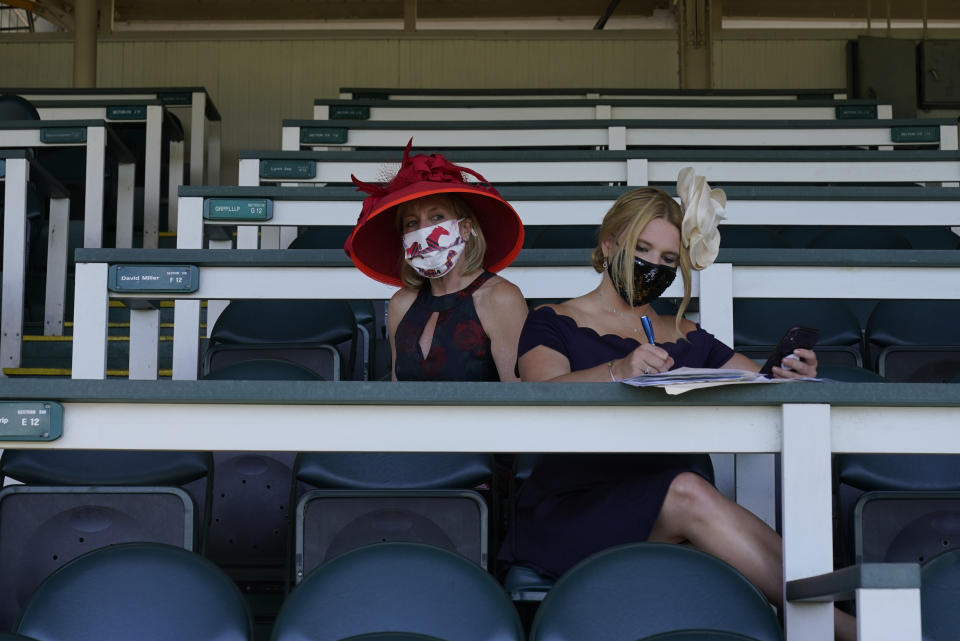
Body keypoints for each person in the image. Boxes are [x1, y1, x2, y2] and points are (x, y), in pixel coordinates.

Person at [498, 170, 855, 641]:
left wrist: (792, 377)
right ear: (609, 246)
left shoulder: (687, 334)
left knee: (688, 489)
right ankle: (848, 628)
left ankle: (834, 619)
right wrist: (618, 371)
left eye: (668, 258)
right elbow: (542, 390)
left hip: (679, 497)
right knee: (687, 490)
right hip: (577, 505)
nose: (654, 266)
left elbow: (756, 381)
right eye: (642, 250)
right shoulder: (553, 320)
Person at [345, 140, 528, 382]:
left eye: (437, 216)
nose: (424, 231)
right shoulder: (402, 304)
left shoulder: (501, 298)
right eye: (412, 223)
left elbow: (518, 399)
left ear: (465, 228)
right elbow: (397, 392)